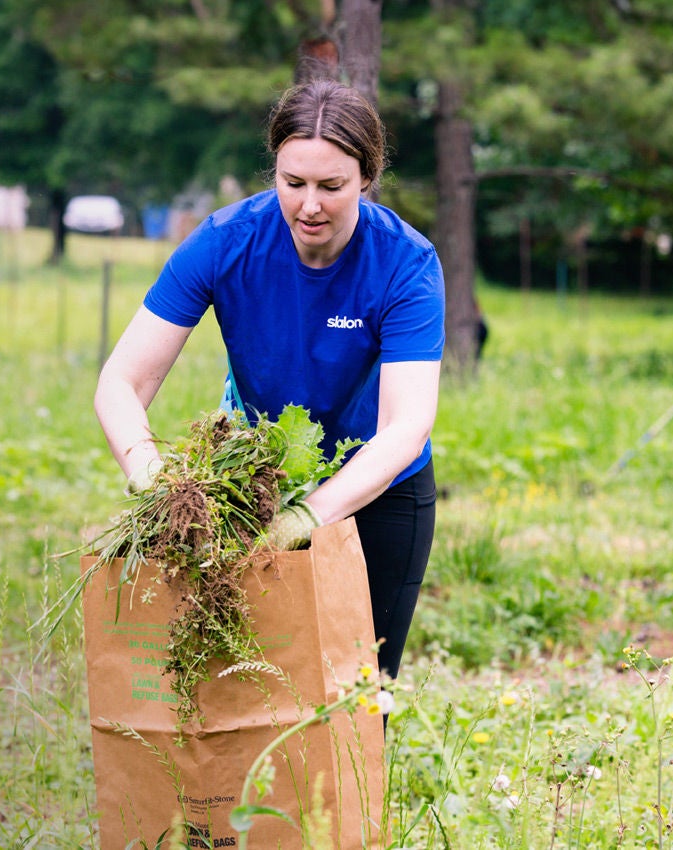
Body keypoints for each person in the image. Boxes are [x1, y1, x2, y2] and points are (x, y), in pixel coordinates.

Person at [94, 80, 444, 680]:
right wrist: (152, 477)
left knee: (361, 688)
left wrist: (309, 519)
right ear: (274, 171)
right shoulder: (225, 242)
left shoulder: (405, 263)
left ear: (366, 177)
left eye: (331, 187)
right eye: (293, 183)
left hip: (383, 489)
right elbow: (119, 382)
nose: (309, 205)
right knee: (251, 683)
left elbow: (404, 428)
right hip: (258, 486)